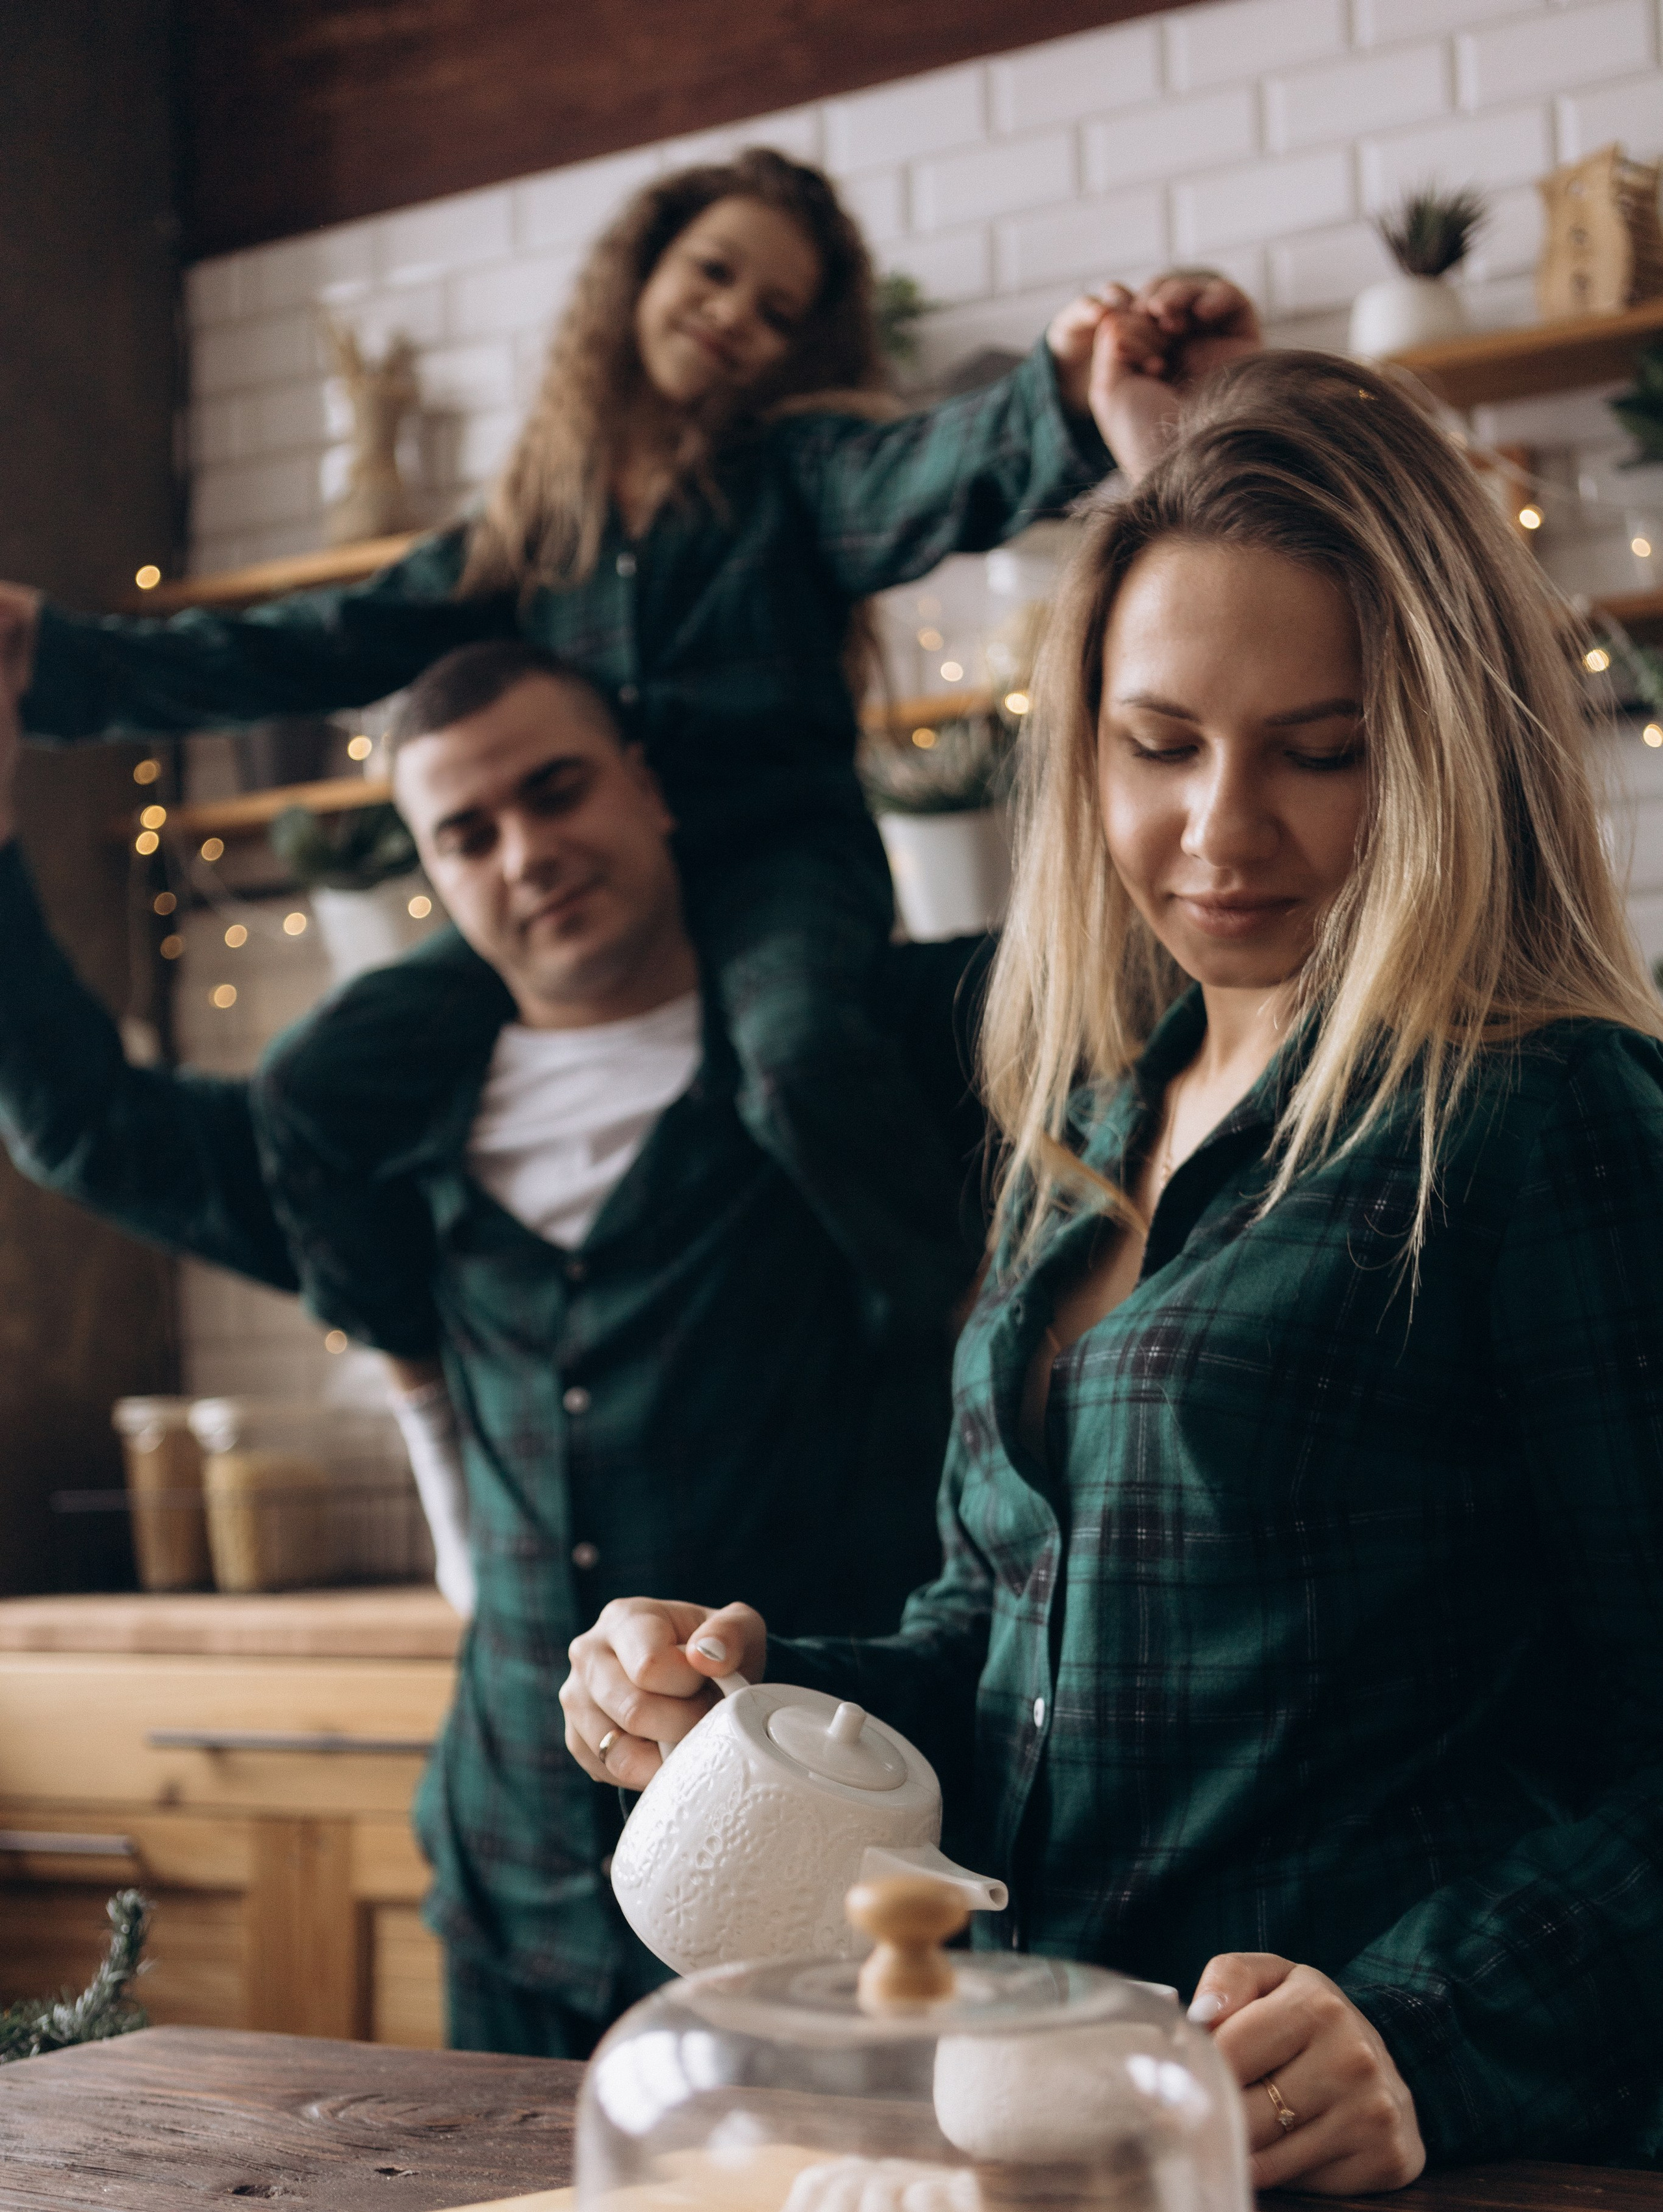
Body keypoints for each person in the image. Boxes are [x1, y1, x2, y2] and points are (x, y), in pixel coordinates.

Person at [563, 348, 1663, 2186]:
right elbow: (1011, 1653)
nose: (1223, 831)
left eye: (1323, 752)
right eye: (1162, 746)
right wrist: (753, 1702)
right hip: (1035, 2142)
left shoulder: (1547, 1115)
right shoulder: (1088, 1125)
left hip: (1406, 2194)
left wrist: (1432, 2029)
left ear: (1450, 750)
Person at [0, 142, 1255, 1351]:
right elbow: (316, 641)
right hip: (587, 884)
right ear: (638, 277)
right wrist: (53, 660)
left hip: (775, 870)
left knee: (801, 1055)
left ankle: (956, 1324)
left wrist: (1065, 389)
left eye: (773, 311)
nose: (730, 317)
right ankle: (415, 1359)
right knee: (314, 1075)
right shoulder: (536, 522)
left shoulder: (797, 472)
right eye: (711, 273)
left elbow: (930, 469)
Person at [0, 634, 998, 2057]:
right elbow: (81, 1127)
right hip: (510, 1886)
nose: (525, 851)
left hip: (808, 1882)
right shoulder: (375, 1148)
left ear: (647, 788)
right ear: (430, 874)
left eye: (556, 791)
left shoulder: (861, 1058)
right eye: (467, 833)